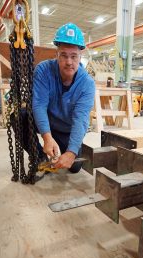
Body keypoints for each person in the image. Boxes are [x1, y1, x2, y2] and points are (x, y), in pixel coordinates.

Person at [31, 23, 95, 173]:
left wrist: (71, 152)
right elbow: (39, 105)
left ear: (80, 56)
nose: (69, 62)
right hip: (47, 122)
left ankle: (67, 148)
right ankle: (40, 158)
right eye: (64, 55)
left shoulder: (87, 84)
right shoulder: (43, 70)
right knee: (19, 116)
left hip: (66, 129)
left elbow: (81, 119)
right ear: (57, 54)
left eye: (74, 56)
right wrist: (47, 137)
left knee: (75, 166)